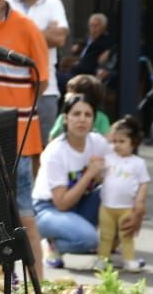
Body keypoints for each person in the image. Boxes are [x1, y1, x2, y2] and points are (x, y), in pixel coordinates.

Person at [0, 0, 49, 275]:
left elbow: (41, 80)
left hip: (17, 140)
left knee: (24, 217)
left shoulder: (26, 29)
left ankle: (42, 289)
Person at [32, 93, 110, 266]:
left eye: (87, 115)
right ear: (65, 118)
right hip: (48, 209)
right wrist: (89, 174)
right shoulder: (56, 151)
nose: (82, 119)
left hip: (80, 202)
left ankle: (102, 245)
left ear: (93, 120)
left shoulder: (98, 143)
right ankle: (50, 243)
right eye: (76, 114)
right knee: (88, 239)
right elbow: (61, 203)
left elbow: (119, 171)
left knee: (117, 196)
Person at [6, 0, 69, 137]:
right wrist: (44, 34)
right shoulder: (3, 2)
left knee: (43, 147)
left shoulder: (53, 3)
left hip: (46, 90)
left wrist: (17, 36)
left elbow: (59, 39)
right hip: (8, 87)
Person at [97, 115, 150, 272]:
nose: (117, 145)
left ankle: (129, 260)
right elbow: (100, 178)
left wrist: (139, 201)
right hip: (106, 207)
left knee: (126, 235)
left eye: (122, 141)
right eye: (114, 141)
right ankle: (102, 260)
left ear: (133, 142)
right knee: (105, 236)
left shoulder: (138, 163)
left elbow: (144, 183)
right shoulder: (108, 159)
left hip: (127, 207)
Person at [60, 12, 114, 91]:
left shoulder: (103, 42)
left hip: (84, 76)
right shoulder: (89, 38)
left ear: (103, 27)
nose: (93, 29)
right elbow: (81, 47)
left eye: (96, 26)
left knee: (57, 79)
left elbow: (88, 66)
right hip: (77, 71)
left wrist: (74, 65)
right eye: (91, 25)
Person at [50, 73, 110, 141]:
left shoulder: (66, 116)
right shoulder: (103, 118)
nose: (66, 95)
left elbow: (53, 138)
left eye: (70, 92)